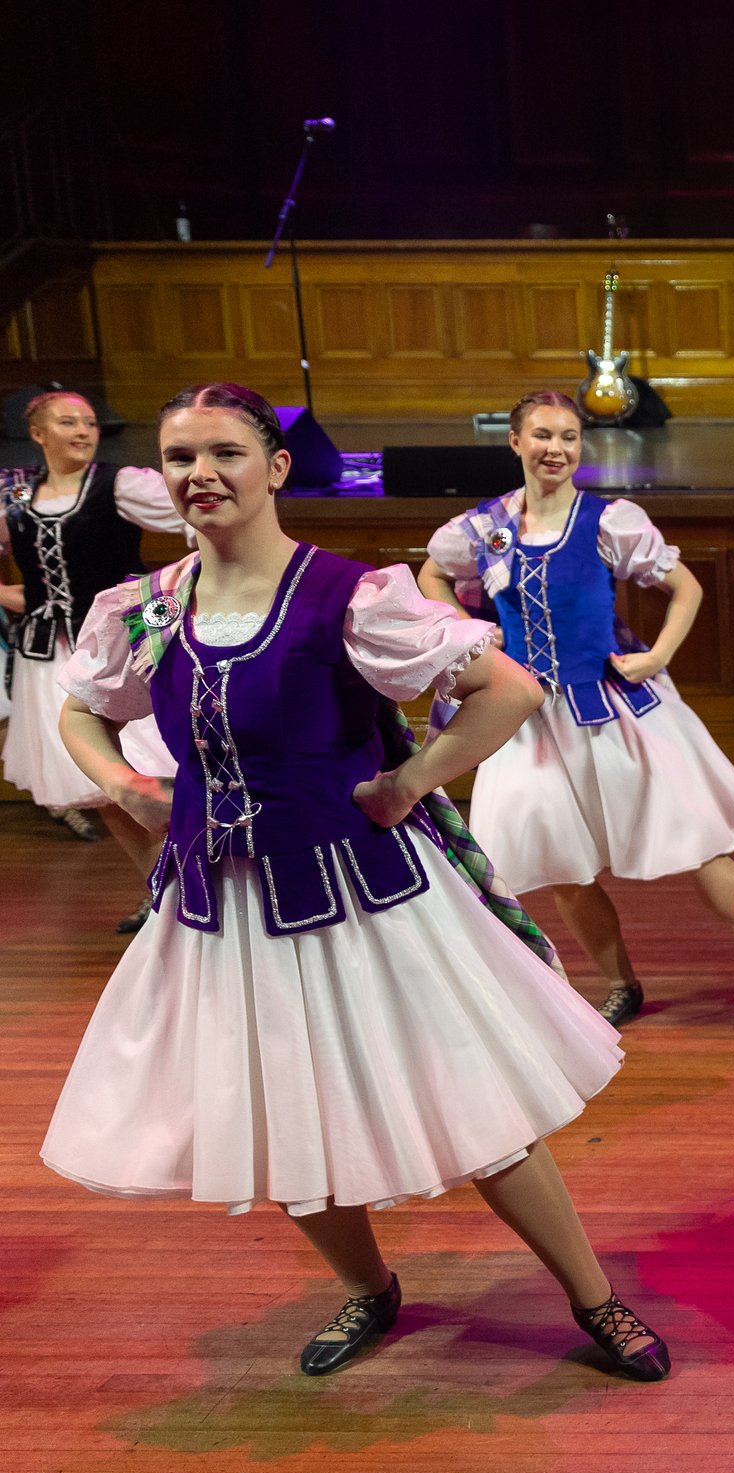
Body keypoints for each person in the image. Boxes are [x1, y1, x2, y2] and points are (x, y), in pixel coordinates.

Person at [44, 381, 669, 1382]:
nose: (200, 475)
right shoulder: (149, 608)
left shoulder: (350, 596)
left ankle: (593, 1295)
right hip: (226, 909)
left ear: (275, 467)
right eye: (179, 459)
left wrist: (410, 779)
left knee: (480, 1111)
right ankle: (369, 1287)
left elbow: (505, 687)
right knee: (278, 1112)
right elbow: (78, 708)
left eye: (224, 453)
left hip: (364, 895)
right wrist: (124, 783)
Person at [418, 390, 734, 1034]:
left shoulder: (607, 521)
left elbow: (685, 587)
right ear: (515, 442)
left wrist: (656, 656)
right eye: (542, 435)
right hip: (529, 722)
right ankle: (621, 983)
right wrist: (465, 628)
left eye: (568, 437)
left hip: (613, 711)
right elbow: (432, 574)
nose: (555, 448)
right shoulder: (486, 529)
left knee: (699, 846)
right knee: (559, 859)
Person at [1, 389, 187, 898]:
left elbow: (194, 512)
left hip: (119, 643)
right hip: (48, 652)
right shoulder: (18, 496)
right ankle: (159, 894)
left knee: (149, 767)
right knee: (102, 788)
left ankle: (187, 888)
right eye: (68, 422)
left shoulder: (118, 484)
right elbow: (25, 559)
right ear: (38, 434)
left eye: (89, 422)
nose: (84, 430)